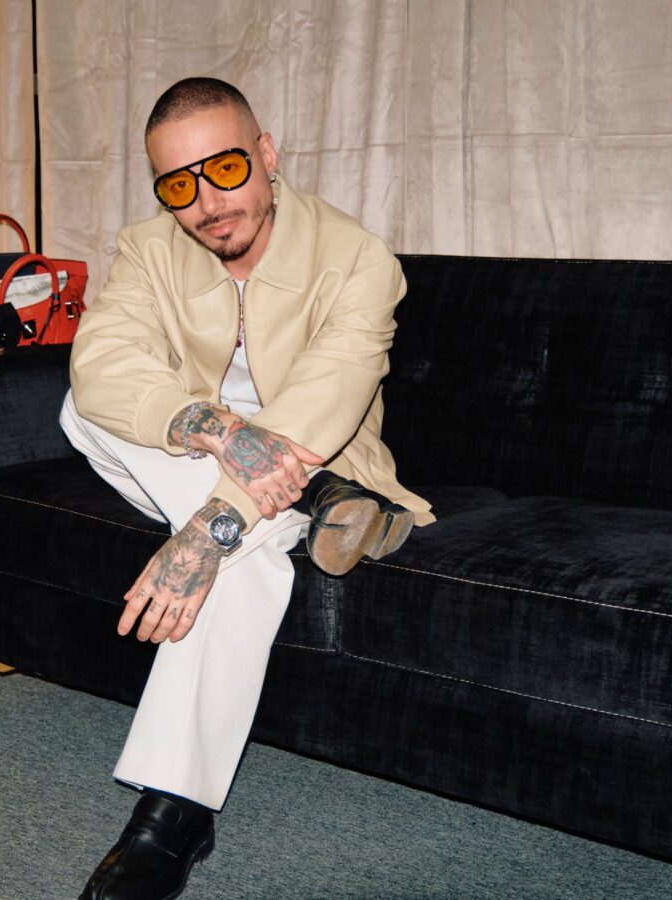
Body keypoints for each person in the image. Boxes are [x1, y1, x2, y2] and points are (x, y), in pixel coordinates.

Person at [61, 76, 433, 900]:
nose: (206, 203)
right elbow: (102, 365)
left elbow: (325, 401)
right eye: (178, 185)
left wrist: (209, 531)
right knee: (78, 406)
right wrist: (220, 431)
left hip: (313, 442)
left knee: (243, 554)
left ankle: (171, 817)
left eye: (225, 169)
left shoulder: (356, 259)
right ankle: (309, 499)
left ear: (267, 155)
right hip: (220, 449)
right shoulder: (148, 250)